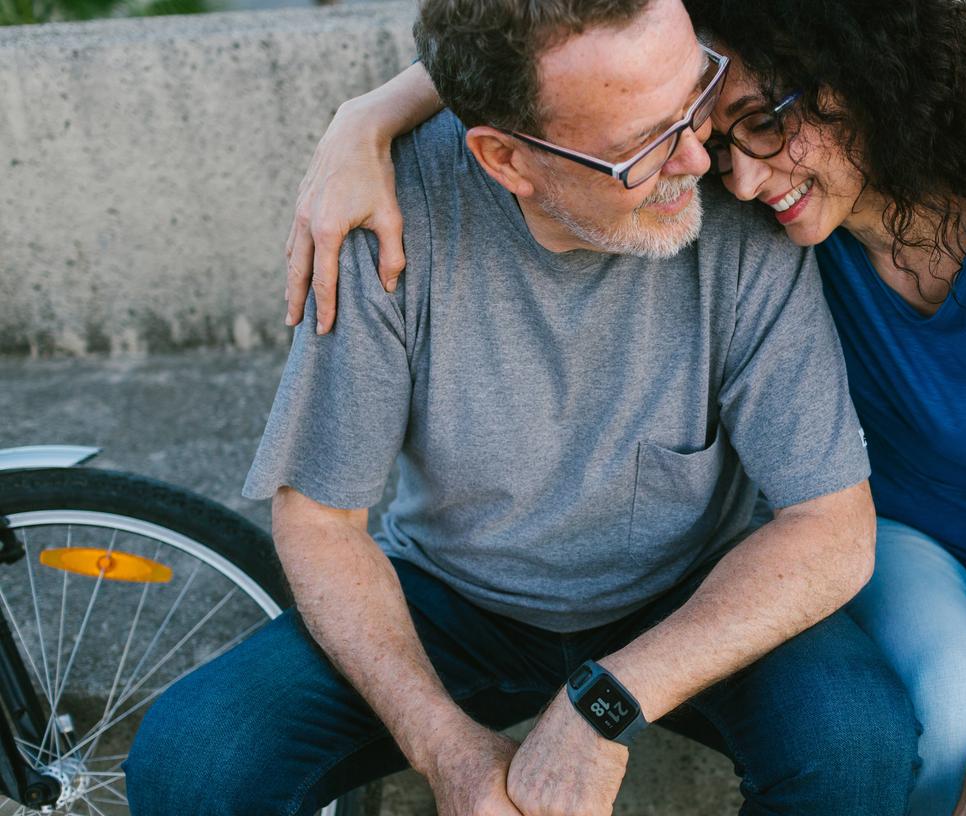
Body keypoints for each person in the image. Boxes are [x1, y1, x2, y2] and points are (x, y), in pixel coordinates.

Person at [286, 1, 966, 814]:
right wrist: (364, 120)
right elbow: (546, 52)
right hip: (898, 539)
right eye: (721, 133)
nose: (741, 178)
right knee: (945, 709)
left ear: (864, 72)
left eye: (766, 123)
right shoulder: (799, 227)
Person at [122, 0, 923, 813]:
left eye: (695, 98)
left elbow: (831, 528)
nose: (696, 156)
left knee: (857, 747)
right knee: (192, 758)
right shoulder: (387, 216)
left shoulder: (731, 187)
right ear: (507, 160)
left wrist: (604, 703)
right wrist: (445, 748)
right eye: (641, 145)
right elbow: (322, 520)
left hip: (693, 585)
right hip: (456, 593)